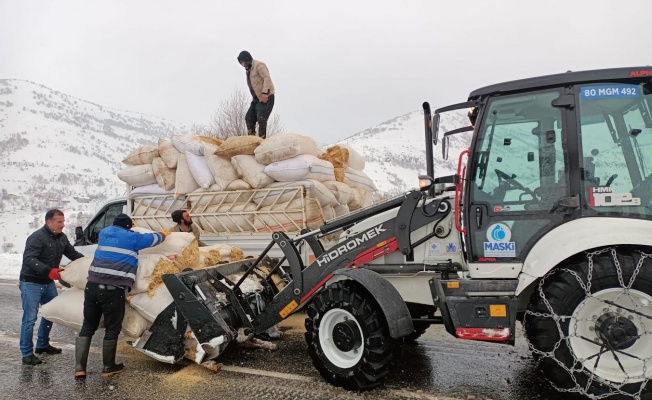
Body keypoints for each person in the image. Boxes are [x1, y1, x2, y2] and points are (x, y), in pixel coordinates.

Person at [74, 214, 168, 378]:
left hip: (92, 286)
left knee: (88, 326)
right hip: (112, 288)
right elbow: (152, 240)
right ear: (128, 227)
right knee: (112, 327)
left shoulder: (104, 233)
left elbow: (119, 237)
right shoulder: (132, 238)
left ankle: (79, 368)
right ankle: (108, 367)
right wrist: (163, 234)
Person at [19, 209, 84, 365]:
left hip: (47, 283)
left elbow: (73, 255)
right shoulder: (36, 238)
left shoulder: (61, 238)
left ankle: (42, 345)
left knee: (50, 313)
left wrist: (91, 262)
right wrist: (49, 271)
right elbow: (29, 259)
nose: (63, 224)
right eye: (59, 221)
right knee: (30, 319)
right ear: (49, 222)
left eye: (63, 221)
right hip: (31, 283)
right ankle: (27, 353)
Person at [237, 50, 275, 139]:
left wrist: (265, 93)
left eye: (244, 63)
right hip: (256, 99)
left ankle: (262, 140)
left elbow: (267, 78)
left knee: (261, 119)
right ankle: (252, 140)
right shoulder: (248, 70)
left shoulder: (259, 66)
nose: (243, 65)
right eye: (241, 64)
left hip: (266, 97)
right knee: (249, 117)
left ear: (247, 60)